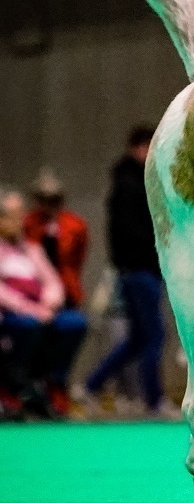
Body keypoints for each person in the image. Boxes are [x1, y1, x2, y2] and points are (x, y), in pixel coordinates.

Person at [82, 126, 173, 417]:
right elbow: (132, 232)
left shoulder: (136, 181)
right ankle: (153, 400)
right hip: (138, 271)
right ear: (137, 148)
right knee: (155, 336)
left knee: (138, 338)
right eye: (146, 147)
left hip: (139, 270)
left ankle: (89, 387)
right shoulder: (130, 184)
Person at [0, 186, 86, 418]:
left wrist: (49, 302)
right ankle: (13, 385)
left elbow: (53, 282)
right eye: (13, 216)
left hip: (41, 312)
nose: (21, 221)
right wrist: (31, 309)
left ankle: (53, 383)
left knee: (74, 322)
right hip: (12, 316)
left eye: (21, 214)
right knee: (28, 325)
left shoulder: (31, 248)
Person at [22, 170, 90, 413]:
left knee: (74, 326)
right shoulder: (25, 225)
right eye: (43, 199)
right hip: (30, 297)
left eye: (53, 200)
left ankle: (57, 384)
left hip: (66, 295)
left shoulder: (75, 225)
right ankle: (30, 389)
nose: (48, 205)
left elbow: (78, 258)